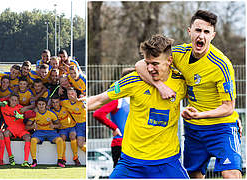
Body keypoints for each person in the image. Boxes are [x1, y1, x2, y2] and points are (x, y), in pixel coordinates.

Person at [135, 10, 242, 179]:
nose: (202, 36)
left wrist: (202, 115)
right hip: (194, 129)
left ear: (212, 35)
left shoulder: (222, 65)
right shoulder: (178, 54)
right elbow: (141, 64)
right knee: (193, 175)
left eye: (206, 32)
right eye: (198, 30)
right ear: (189, 31)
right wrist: (160, 86)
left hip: (222, 128)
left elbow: (228, 107)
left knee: (231, 174)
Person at [88, 34, 188, 178]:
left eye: (155, 64)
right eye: (147, 63)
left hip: (167, 162)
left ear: (169, 61)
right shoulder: (133, 80)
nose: (150, 68)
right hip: (131, 163)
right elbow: (99, 100)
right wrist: (79, 104)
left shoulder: (181, 82)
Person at [92, 68, 134, 168]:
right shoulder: (118, 100)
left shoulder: (138, 100)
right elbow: (98, 114)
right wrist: (114, 128)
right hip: (121, 145)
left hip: (137, 145)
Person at [26, 97, 65, 168]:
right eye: (39, 104)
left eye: (43, 104)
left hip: (51, 132)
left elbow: (59, 125)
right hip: (39, 133)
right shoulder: (34, 114)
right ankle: (34, 161)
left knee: (59, 140)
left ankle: (60, 160)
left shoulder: (51, 113)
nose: (41, 106)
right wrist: (32, 127)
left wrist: (54, 126)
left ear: (46, 105)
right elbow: (27, 127)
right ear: (37, 105)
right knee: (33, 140)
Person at [0, 93, 31, 167]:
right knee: (5, 133)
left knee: (28, 138)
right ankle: (10, 156)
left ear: (17, 102)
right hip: (11, 129)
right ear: (9, 100)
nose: (13, 102)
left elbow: (31, 113)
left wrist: (23, 116)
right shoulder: (3, 107)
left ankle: (26, 161)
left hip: (21, 129)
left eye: (15, 100)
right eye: (12, 100)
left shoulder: (21, 108)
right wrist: (4, 100)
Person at [50, 95, 81, 166]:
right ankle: (63, 158)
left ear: (59, 102)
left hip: (71, 126)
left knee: (72, 136)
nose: (55, 104)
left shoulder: (65, 108)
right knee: (62, 138)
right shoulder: (52, 111)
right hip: (62, 128)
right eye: (53, 102)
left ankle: (75, 157)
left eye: (57, 102)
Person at [62, 87, 86, 153]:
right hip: (79, 125)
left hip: (87, 123)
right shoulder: (65, 103)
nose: (70, 95)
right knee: (80, 144)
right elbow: (55, 102)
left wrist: (79, 99)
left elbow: (89, 99)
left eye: (72, 93)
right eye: (68, 94)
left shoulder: (81, 101)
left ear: (76, 94)